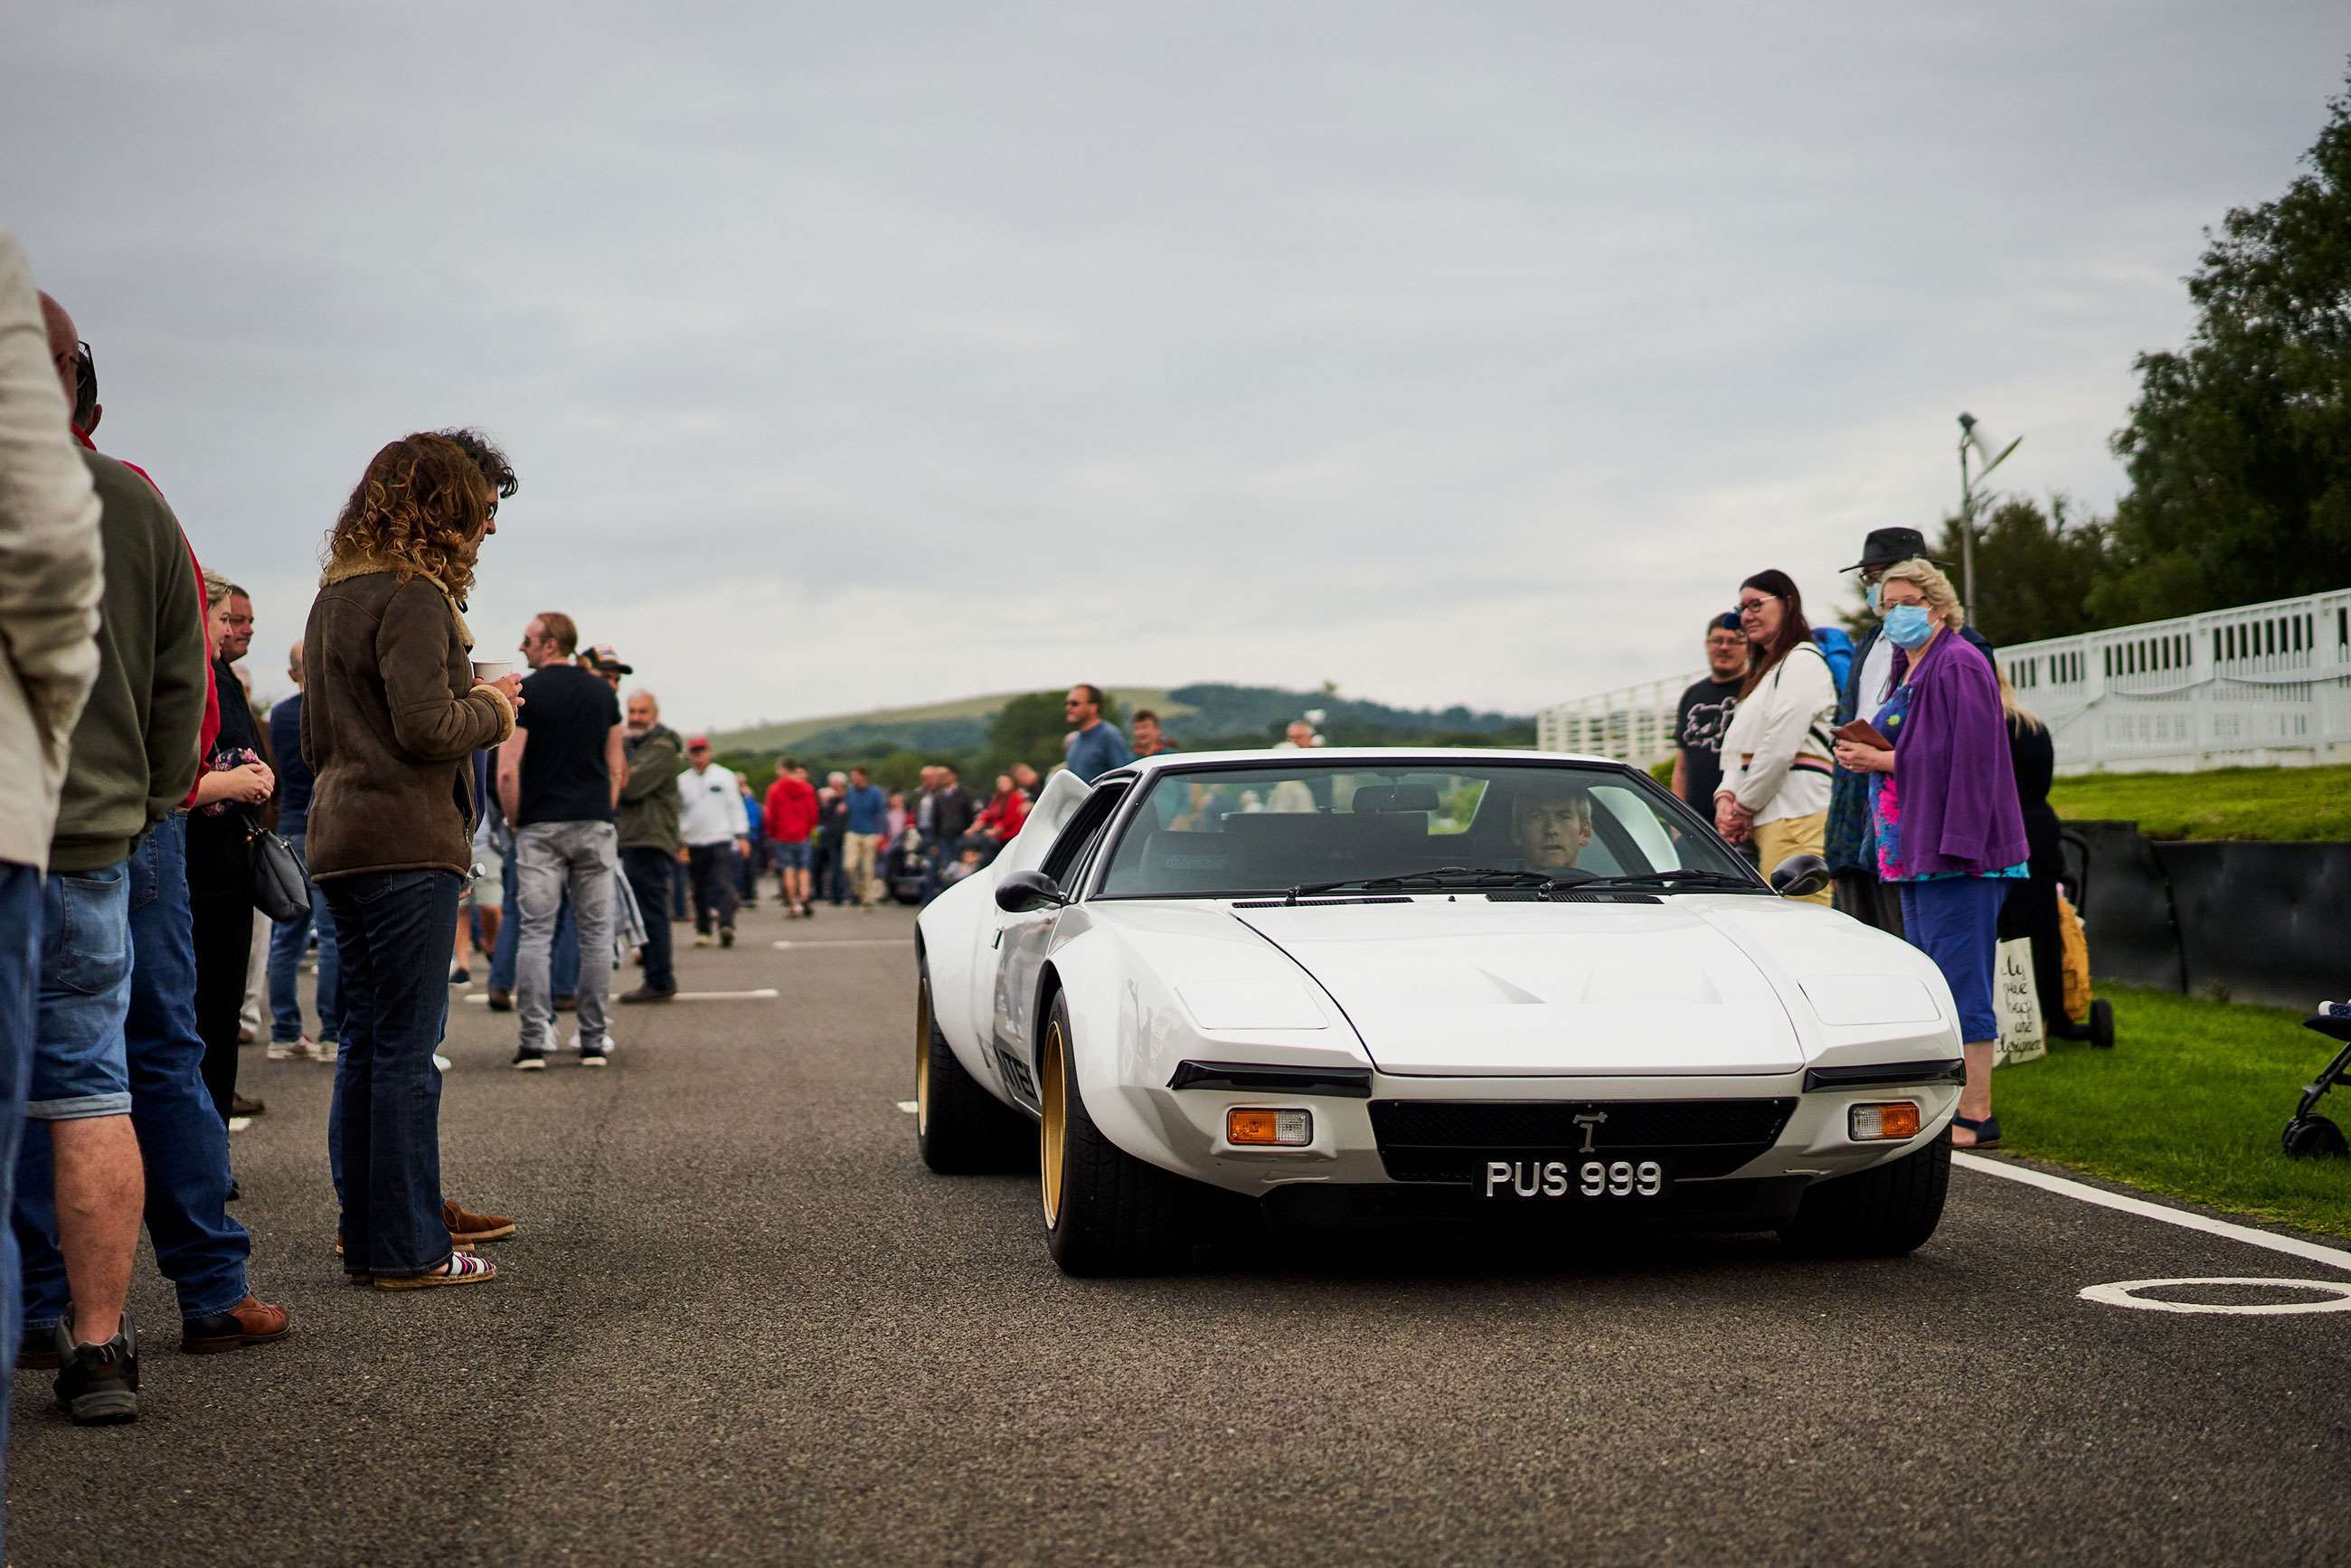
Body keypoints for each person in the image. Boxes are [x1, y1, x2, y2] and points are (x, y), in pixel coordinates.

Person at [19, 279, 209, 1417]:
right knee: (93, 1089)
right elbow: (181, 683)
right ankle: (99, 1346)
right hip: (90, 839)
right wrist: (138, 805)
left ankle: (36, 1312)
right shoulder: (131, 505)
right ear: (72, 374)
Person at [304, 430, 519, 1288]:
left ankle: (373, 1229)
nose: (485, 533)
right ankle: (408, 1248)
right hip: (405, 840)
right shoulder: (414, 597)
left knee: (364, 1042)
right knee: (402, 1051)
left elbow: (325, 734)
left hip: (339, 836)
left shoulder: (333, 597)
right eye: (475, 514)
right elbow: (427, 727)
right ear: (437, 508)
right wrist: (495, 709)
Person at [0, 233, 105, 1444]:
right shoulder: (121, 494)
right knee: (87, 1077)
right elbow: (41, 541)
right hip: (62, 819)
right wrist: (43, 716)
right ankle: (84, 1328)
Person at [1830, 557, 2026, 1150]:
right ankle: (1947, 1107)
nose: (1895, 613)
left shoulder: (1961, 661)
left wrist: (1882, 760)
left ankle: (1978, 1114)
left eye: (1907, 601)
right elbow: (1920, 741)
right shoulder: (1906, 666)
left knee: (1962, 980)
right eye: (1886, 603)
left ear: (1939, 607)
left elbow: (1968, 757)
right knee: (1934, 981)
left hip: (1957, 854)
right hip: (1914, 851)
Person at [1826, 526, 1999, 935]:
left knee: (1914, 939)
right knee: (1861, 937)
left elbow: (1970, 748)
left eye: (1885, 573)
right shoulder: (1869, 642)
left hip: (1921, 817)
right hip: (1859, 810)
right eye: (1870, 577)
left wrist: (1886, 758)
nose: (1878, 586)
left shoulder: (1963, 648)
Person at [497, 611, 624, 1070]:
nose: (522, 646)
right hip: (594, 821)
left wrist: (515, 821)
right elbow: (616, 766)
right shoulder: (602, 692)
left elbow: (508, 769)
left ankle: (534, 1040)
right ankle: (593, 1038)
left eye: (529, 639)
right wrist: (604, 810)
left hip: (541, 825)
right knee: (595, 934)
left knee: (536, 932)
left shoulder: (528, 693)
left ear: (550, 644)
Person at [184, 572, 275, 1128]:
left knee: (220, 1002)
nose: (232, 631)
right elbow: (181, 772)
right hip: (203, 856)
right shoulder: (195, 675)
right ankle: (202, 1137)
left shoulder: (221, 676)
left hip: (229, 855)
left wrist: (253, 771)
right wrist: (236, 779)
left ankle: (212, 1117)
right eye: (225, 619)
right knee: (205, 1001)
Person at [1714, 569, 1836, 905]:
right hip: (1771, 820)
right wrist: (1725, 799)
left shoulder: (1803, 662)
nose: (1747, 616)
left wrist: (1740, 807)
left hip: (1796, 817)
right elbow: (1737, 752)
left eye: (1756, 605)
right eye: (1742, 609)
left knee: (1803, 931)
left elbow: (1780, 747)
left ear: (1789, 604)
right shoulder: (1766, 673)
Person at [265, 640, 338, 1059]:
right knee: (330, 935)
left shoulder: (281, 713)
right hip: (327, 824)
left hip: (291, 824)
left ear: (294, 673)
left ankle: (284, 1031)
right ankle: (331, 1032)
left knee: (287, 934)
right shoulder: (331, 710)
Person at [1995, 667, 2072, 1040]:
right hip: (2040, 826)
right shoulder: (2033, 725)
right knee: (2042, 928)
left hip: (2005, 831)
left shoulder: (1993, 727)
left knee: (2007, 928)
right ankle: (2050, 1014)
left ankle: (2015, 1019)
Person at [616, 688, 685, 1003]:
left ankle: (660, 978)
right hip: (635, 836)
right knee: (643, 911)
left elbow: (630, 786)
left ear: (655, 715)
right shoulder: (636, 745)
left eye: (642, 712)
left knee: (651, 911)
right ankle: (656, 974)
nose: (635, 717)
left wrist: (616, 758)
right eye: (632, 711)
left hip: (650, 838)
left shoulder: (662, 748)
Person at [676, 736, 750, 944]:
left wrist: (742, 835)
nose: (699, 755)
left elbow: (735, 806)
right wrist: (679, 841)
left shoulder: (724, 776)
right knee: (699, 887)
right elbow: (678, 813)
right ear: (689, 755)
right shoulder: (682, 781)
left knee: (722, 882)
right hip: (694, 840)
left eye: (702, 751)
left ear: (709, 752)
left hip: (721, 837)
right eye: (694, 752)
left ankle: (726, 925)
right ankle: (703, 930)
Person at [1671, 614, 1747, 813]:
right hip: (1696, 825)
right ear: (1707, 644)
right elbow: (1681, 766)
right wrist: (1678, 822)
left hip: (1739, 821)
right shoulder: (1693, 694)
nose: (1724, 647)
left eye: (1733, 641)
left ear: (1748, 647)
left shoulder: (1755, 691)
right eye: (1717, 640)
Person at [764, 757, 818, 917]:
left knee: (788, 869)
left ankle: (794, 904)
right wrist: (809, 827)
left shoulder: (775, 789)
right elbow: (813, 813)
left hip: (783, 834)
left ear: (784, 770)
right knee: (803, 868)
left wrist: (772, 832)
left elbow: (770, 815)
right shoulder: (807, 788)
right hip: (802, 833)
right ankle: (805, 895)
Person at [1512, 779, 1594, 873]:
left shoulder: (1602, 887)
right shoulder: (1495, 886)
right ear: (1517, 832)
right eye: (1536, 817)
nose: (1551, 830)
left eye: (1564, 817)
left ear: (1585, 832)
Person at [841, 765, 888, 908]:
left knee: (868, 868)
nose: (853, 779)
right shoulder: (850, 792)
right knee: (849, 865)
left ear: (863, 776)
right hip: (853, 831)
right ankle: (858, 890)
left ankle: (868, 898)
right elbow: (846, 809)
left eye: (855, 775)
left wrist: (881, 833)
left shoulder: (875, 792)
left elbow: (881, 813)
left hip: (870, 832)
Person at [1064, 685, 1132, 782]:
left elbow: (1124, 779)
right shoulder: (1074, 741)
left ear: (1093, 707)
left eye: (1074, 703)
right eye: (1067, 703)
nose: (1068, 708)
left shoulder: (1109, 736)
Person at [975, 772, 1031, 841]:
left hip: (1009, 835)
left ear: (1012, 783)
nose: (1002, 784)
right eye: (1000, 782)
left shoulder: (1016, 796)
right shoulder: (997, 798)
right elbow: (989, 813)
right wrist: (981, 820)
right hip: (997, 832)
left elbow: (1011, 818)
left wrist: (995, 830)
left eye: (1005, 782)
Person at [737, 777, 764, 908]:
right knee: (742, 867)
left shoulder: (748, 799)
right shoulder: (746, 798)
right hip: (743, 836)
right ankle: (743, 893)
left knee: (747, 867)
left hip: (748, 837)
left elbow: (755, 818)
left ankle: (747, 894)